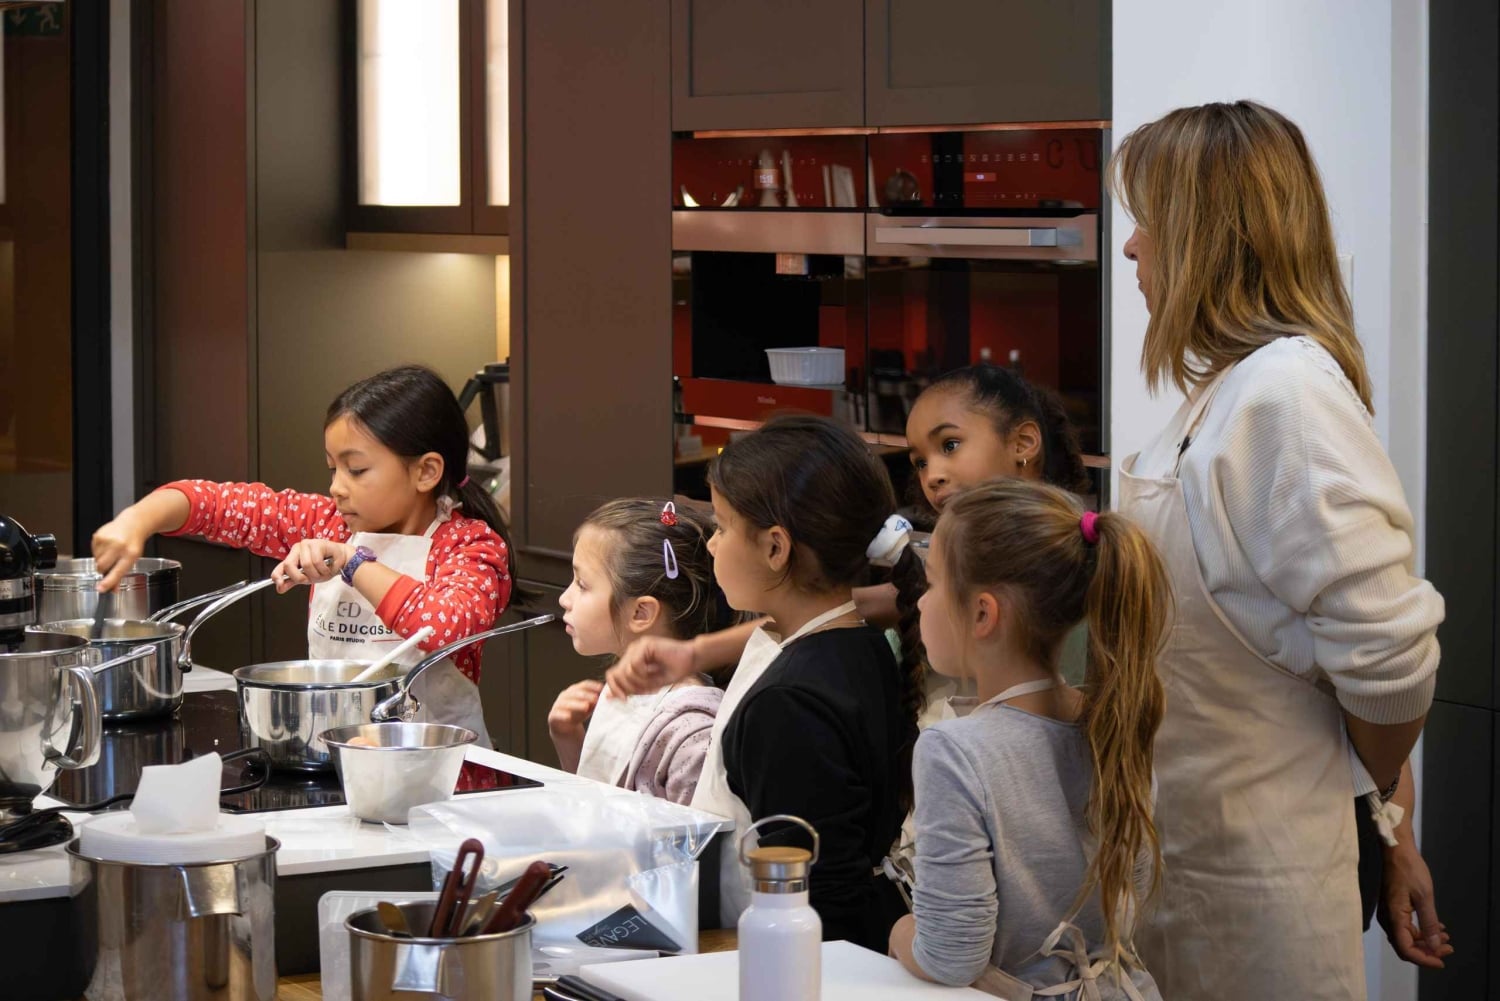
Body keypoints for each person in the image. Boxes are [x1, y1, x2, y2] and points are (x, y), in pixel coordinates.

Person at [1111, 100, 1448, 998]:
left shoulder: (1286, 397)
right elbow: (1330, 653)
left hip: (1258, 896)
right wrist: (1392, 825)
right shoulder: (1227, 397)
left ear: (1206, 234)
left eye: (1147, 221)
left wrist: (1379, 807)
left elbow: (1387, 665)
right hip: (1193, 867)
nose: (1131, 249)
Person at [612, 414, 919, 950]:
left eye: (724, 528)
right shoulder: (854, 641)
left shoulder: (789, 705)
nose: (711, 545)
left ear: (776, 548)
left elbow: (818, 897)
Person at [608, 363, 1092, 700]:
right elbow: (862, 605)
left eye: (950, 445)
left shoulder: (1060, 558)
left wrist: (696, 652)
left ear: (1024, 442)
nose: (933, 475)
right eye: (921, 460)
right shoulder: (928, 560)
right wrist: (695, 651)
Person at [91, 365, 515, 743]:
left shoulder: (470, 546)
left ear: (425, 472)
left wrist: (351, 562)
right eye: (333, 468)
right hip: (332, 751)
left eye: (357, 469)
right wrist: (135, 521)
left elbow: (444, 626)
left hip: (444, 774)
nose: (337, 487)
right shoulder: (325, 520)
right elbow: (215, 505)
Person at [888, 480, 1166, 1000]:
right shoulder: (1115, 721)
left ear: (982, 614)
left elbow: (951, 955)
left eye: (931, 585)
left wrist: (901, 934)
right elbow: (1134, 895)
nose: (921, 604)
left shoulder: (955, 751)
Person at [547, 498, 725, 805]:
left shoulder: (693, 732)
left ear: (641, 613)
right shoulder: (625, 687)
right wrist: (567, 736)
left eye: (582, 584)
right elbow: (595, 803)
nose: (565, 598)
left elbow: (692, 845)